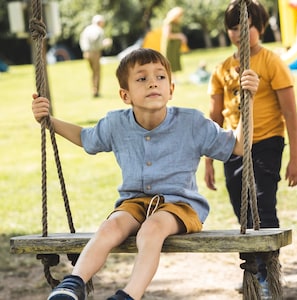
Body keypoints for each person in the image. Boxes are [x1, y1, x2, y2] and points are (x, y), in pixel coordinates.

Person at [32, 48, 258, 300]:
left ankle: (128, 296)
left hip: (181, 206)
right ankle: (72, 285)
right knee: (110, 227)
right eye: (142, 78)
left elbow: (237, 146)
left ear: (171, 89)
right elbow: (86, 139)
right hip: (134, 202)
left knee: (151, 229)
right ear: (125, 95)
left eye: (160, 77)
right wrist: (48, 120)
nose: (153, 82)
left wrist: (247, 101)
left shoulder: (192, 123)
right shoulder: (116, 123)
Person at [205, 0, 297, 297]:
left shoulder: (271, 62)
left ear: (259, 27)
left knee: (263, 205)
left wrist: (296, 157)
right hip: (232, 147)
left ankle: (267, 275)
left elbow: (290, 114)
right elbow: (215, 118)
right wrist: (208, 161)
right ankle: (253, 270)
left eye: (245, 26)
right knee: (241, 210)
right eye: (233, 28)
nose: (239, 33)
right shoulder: (223, 69)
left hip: (267, 142)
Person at [79, 14, 111, 98]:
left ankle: (93, 89)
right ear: (99, 22)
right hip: (95, 53)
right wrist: (106, 43)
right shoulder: (99, 30)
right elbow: (97, 43)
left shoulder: (87, 29)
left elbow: (82, 41)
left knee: (93, 72)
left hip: (86, 53)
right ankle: (96, 91)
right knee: (97, 72)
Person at [160, 7, 187, 81]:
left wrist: (182, 38)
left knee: (174, 61)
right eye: (179, 15)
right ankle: (170, 79)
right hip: (169, 47)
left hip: (175, 47)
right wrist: (179, 36)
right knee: (169, 61)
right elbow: (167, 35)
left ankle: (174, 79)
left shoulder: (177, 24)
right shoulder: (168, 23)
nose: (180, 17)